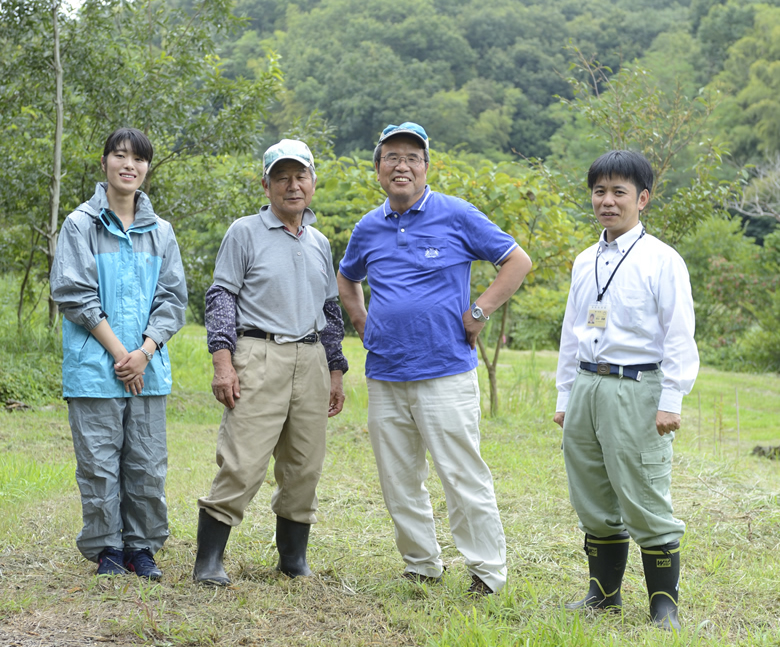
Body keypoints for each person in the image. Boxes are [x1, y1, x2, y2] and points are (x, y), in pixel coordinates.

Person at [337, 122, 532, 596]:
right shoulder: (368, 226)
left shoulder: (457, 214)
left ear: (426, 167)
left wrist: (480, 309)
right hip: (385, 372)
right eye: (392, 157)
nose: (402, 166)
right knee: (398, 478)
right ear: (379, 168)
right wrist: (362, 321)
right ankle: (422, 564)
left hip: (445, 371)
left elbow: (517, 261)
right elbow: (347, 278)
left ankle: (487, 573)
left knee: (461, 475)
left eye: (412, 158)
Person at [553, 150, 699, 631]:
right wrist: (565, 397)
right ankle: (604, 595)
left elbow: (678, 334)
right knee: (592, 494)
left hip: (637, 387)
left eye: (619, 192)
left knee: (644, 494)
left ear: (643, 198)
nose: (607, 201)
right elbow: (571, 333)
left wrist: (671, 399)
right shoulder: (584, 260)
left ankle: (663, 605)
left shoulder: (661, 260)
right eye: (599, 191)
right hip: (589, 386)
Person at [193, 139, 348, 586]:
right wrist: (223, 363)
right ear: (266, 184)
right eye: (282, 177)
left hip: (311, 357)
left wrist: (335, 371)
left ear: (313, 182)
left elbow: (331, 312)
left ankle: (293, 561)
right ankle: (208, 562)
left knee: (305, 464)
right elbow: (221, 297)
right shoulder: (244, 231)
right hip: (258, 352)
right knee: (242, 461)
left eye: (300, 176)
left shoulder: (320, 242)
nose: (292, 185)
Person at [50, 127, 188, 579]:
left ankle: (141, 548)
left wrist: (144, 352)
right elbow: (74, 294)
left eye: (139, 159)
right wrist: (121, 354)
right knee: (98, 464)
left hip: (147, 368)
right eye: (120, 156)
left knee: (147, 463)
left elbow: (172, 299)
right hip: (95, 367)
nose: (129, 165)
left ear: (147, 169)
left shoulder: (161, 231)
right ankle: (107, 549)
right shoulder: (80, 224)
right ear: (105, 162)